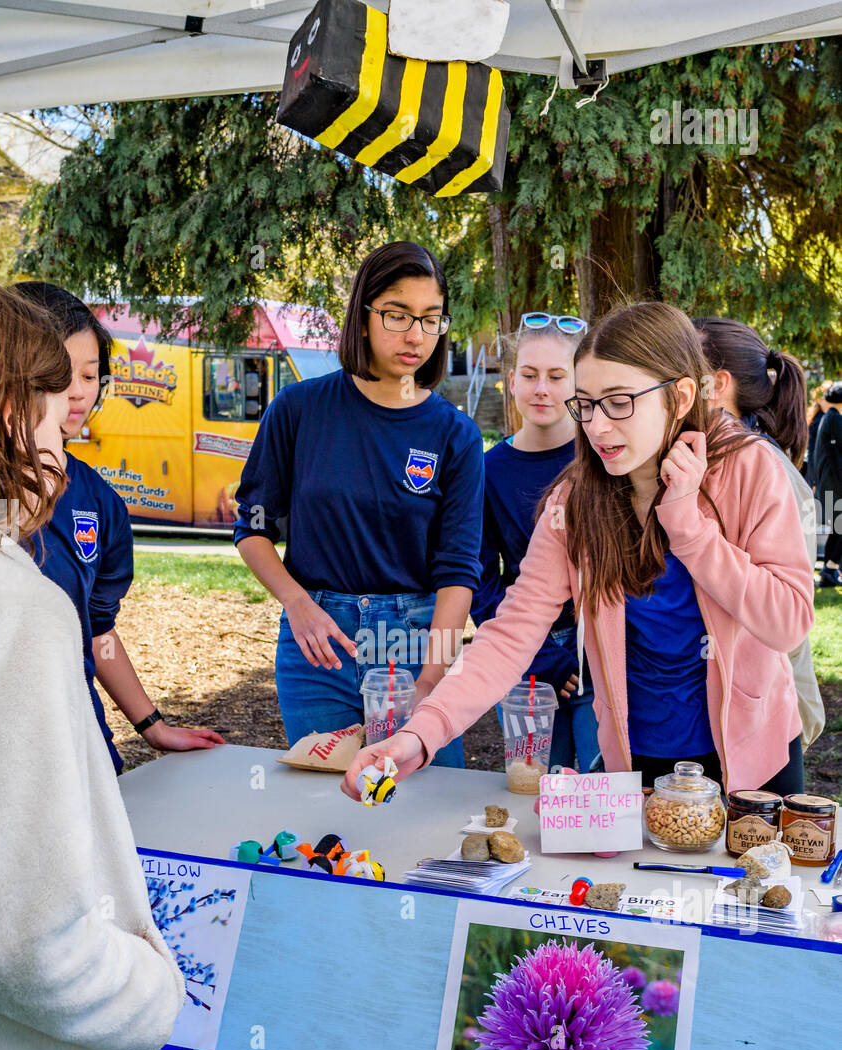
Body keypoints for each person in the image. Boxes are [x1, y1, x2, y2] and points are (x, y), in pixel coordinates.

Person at [341, 302, 814, 802]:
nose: (598, 426)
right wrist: (422, 732)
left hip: (754, 761)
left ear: (680, 397)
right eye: (585, 404)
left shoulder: (747, 469)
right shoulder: (575, 500)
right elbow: (512, 632)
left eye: (619, 402)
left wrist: (690, 529)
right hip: (639, 760)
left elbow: (787, 622)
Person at [0, 275, 185, 1050]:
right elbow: (23, 937)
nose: (70, 419)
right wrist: (151, 991)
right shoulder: (10, 606)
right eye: (50, 393)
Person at [234, 242, 485, 767]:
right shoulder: (298, 410)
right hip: (318, 647)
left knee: (422, 815)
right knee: (331, 817)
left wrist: (433, 678)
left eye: (430, 319)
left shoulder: (455, 436)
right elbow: (253, 526)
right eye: (397, 315)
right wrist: (296, 603)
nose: (415, 335)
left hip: (417, 647)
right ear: (363, 315)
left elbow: (459, 571)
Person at [12, 281, 225, 773]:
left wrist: (151, 724)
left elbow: (97, 629)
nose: (80, 390)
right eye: (63, 374)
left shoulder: (100, 501)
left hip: (76, 734)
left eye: (92, 374)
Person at [472, 312, 599, 772]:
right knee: (536, 786)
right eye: (529, 375)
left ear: (580, 383)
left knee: (601, 784)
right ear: (511, 382)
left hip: (603, 649)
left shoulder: (603, 458)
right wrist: (541, 655)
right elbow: (480, 581)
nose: (542, 388)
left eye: (557, 376)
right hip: (528, 654)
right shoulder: (487, 471)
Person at [694, 316, 824, 748]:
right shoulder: (706, 462)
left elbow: (786, 614)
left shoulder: (770, 473)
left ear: (716, 383)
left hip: (766, 714)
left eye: (682, 368)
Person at [811, 381, 842, 587]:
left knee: (837, 529)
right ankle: (830, 567)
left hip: (829, 483)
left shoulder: (828, 417)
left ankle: (828, 570)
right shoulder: (834, 420)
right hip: (835, 484)